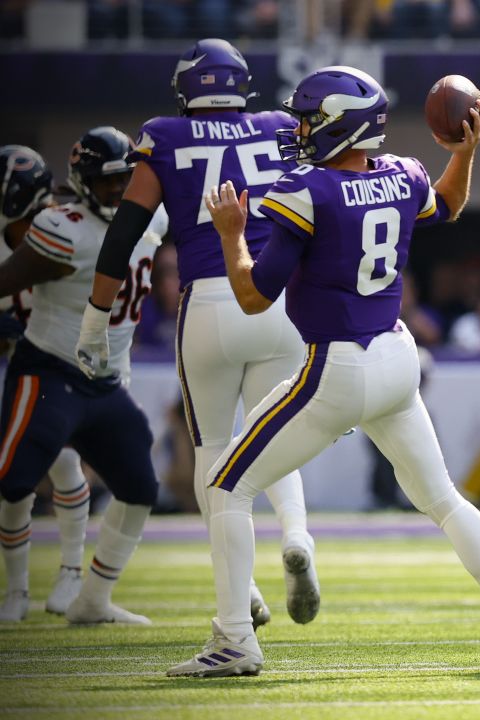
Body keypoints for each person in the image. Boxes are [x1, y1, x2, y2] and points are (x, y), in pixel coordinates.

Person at [166, 66, 480, 677]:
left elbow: (251, 297)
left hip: (337, 369)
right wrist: (467, 152)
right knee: (446, 501)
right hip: (398, 361)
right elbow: (450, 204)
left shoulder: (306, 192)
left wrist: (230, 236)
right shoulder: (403, 175)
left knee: (224, 485)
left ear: (335, 124)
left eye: (305, 118)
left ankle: (235, 641)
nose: (296, 129)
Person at [76, 39, 318, 629]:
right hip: (276, 298)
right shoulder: (280, 126)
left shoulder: (164, 134)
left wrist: (93, 321)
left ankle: (245, 593)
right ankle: (297, 534)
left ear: (187, 87)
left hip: (210, 300)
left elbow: (125, 232)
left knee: (214, 452)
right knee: (276, 437)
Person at [0, 127, 163, 625]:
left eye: (123, 179)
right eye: (105, 181)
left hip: (107, 380)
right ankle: (16, 592)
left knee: (140, 486)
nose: (117, 190)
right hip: (50, 370)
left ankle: (91, 598)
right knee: (14, 482)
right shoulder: (62, 226)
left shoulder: (155, 214)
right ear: (81, 181)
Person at [0, 145, 98, 620]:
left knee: (63, 461)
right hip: (24, 361)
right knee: (13, 476)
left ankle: (71, 572)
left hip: (62, 358)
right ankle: (17, 590)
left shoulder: (65, 227)